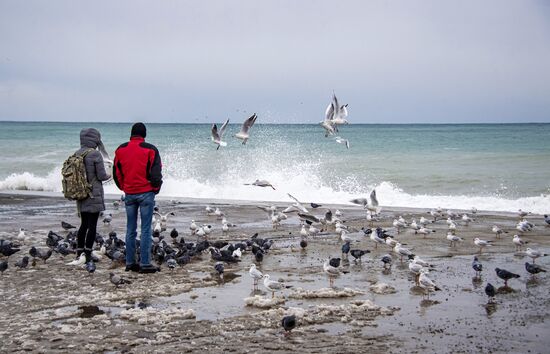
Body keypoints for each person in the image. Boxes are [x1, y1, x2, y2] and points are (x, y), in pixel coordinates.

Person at [113, 123, 163, 273]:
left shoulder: (120, 149)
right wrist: (155, 189)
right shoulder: (150, 149)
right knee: (146, 229)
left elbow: (116, 171)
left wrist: (124, 187)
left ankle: (130, 262)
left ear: (131, 134)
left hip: (129, 193)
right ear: (144, 134)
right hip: (146, 192)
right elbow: (156, 172)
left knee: (130, 229)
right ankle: (145, 263)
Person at [75, 128, 111, 265]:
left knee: (83, 224)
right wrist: (110, 174)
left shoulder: (77, 153)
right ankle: (88, 254)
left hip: (81, 194)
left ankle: (80, 253)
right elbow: (101, 176)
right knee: (92, 225)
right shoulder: (95, 154)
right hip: (93, 195)